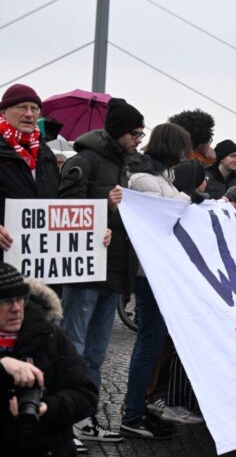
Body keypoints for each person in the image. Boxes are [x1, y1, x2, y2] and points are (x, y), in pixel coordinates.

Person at [58, 97, 145, 442]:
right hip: (85, 271)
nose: (140, 139)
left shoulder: (127, 164)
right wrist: (102, 207)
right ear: (121, 131)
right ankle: (65, 420)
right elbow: (62, 208)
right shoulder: (86, 160)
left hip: (113, 272)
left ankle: (85, 417)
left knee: (96, 351)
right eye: (136, 132)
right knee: (73, 345)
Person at [120, 123, 193, 439]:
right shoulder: (146, 182)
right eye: (182, 148)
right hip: (149, 274)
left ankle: (141, 409)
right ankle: (133, 413)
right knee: (149, 342)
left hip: (160, 273)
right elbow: (166, 217)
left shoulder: (161, 179)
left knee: (153, 342)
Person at [0, 262, 98, 456]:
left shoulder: (49, 335)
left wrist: (48, 407)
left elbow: (86, 395)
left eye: (21, 298)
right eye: (7, 301)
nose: (17, 308)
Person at [0, 84, 60, 261]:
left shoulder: (46, 153)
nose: (29, 114)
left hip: (39, 261)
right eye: (22, 107)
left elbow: (61, 199)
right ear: (3, 112)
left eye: (35, 108)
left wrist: (93, 229)